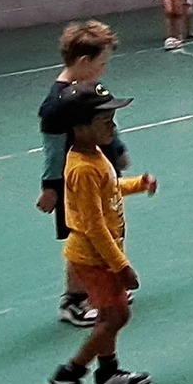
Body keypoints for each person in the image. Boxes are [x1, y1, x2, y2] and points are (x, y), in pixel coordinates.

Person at [46, 91, 156, 384]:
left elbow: (109, 188)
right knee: (117, 315)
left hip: (99, 257)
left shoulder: (94, 155)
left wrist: (136, 184)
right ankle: (69, 375)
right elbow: (94, 226)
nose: (112, 126)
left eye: (112, 120)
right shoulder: (81, 168)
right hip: (96, 259)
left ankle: (108, 375)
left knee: (109, 316)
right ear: (79, 127)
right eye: (104, 121)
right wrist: (121, 266)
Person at [37, 20, 131, 327]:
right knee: (85, 241)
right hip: (75, 180)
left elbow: (107, 123)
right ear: (83, 62)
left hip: (101, 172)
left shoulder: (91, 89)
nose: (104, 70)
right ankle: (75, 299)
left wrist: (118, 152)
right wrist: (51, 186)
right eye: (101, 64)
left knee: (109, 230)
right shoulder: (56, 105)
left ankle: (104, 287)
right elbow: (53, 151)